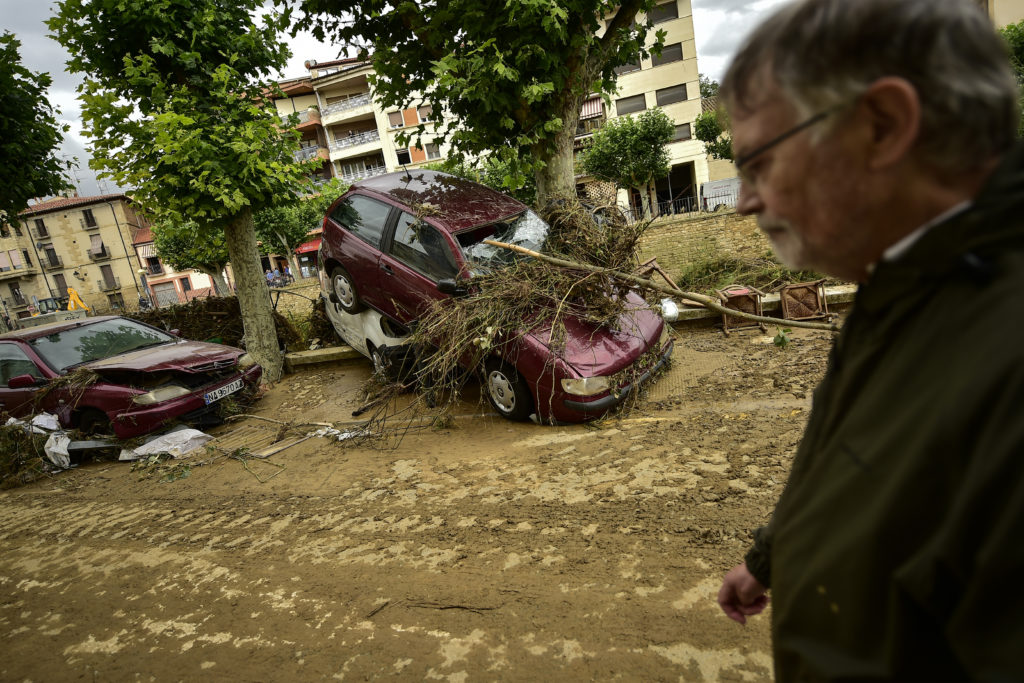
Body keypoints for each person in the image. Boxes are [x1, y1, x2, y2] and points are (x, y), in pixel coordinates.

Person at [713, 0, 1024, 679]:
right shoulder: (907, 280)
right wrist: (771, 554)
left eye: (759, 163)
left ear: (882, 126)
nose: (743, 201)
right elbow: (851, 453)